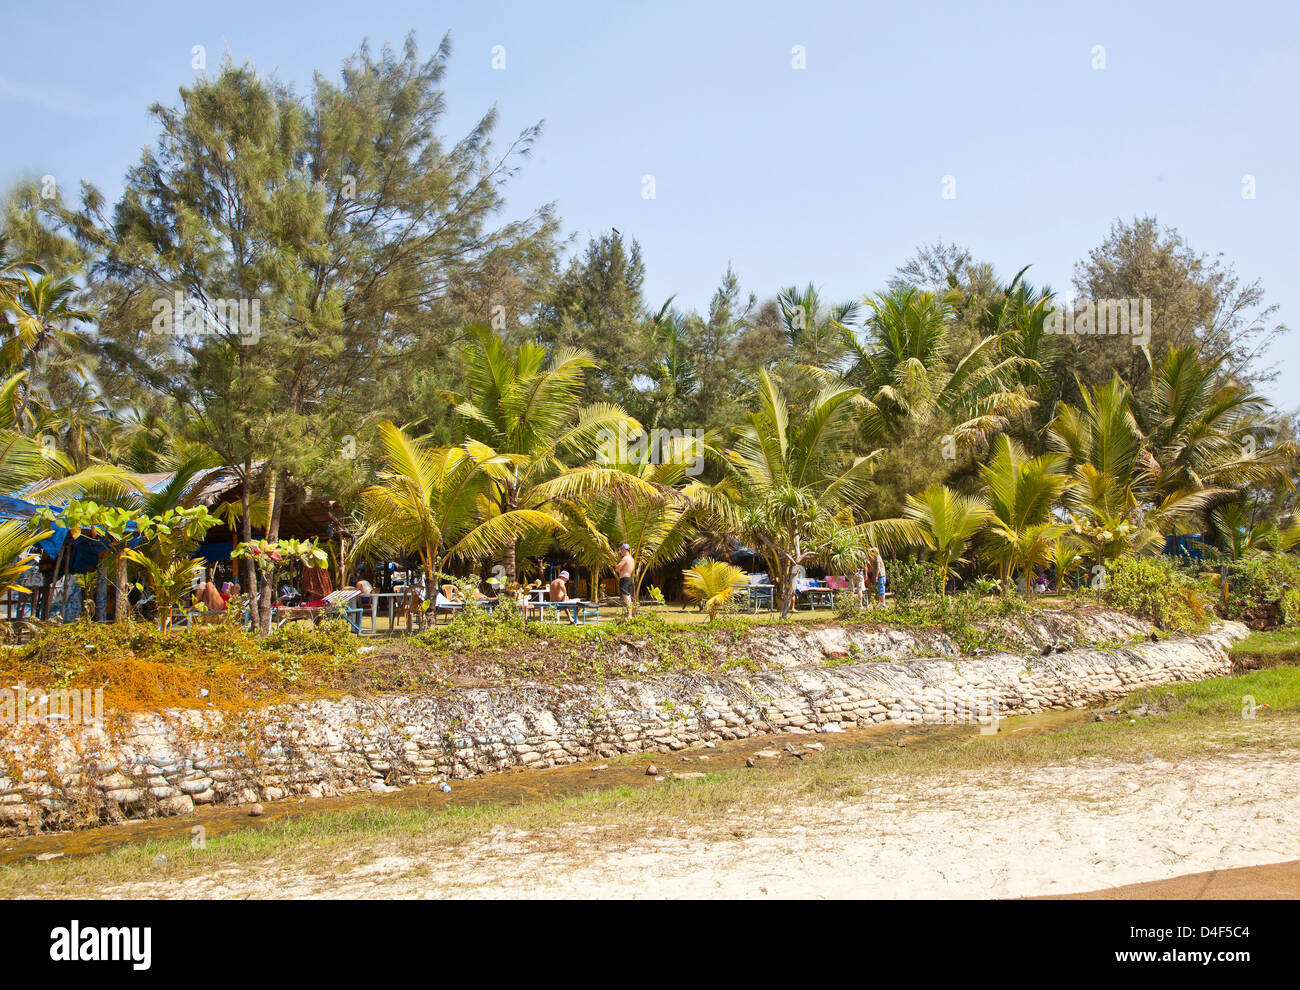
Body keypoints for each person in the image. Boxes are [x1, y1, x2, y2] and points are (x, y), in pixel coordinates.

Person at [616, 544, 636, 620]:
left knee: (627, 597)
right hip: (629, 579)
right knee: (628, 596)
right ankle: (630, 614)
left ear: (624, 549)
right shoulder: (631, 559)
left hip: (625, 579)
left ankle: (630, 615)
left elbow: (618, 568)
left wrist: (618, 568)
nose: (620, 551)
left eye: (621, 549)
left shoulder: (625, 558)